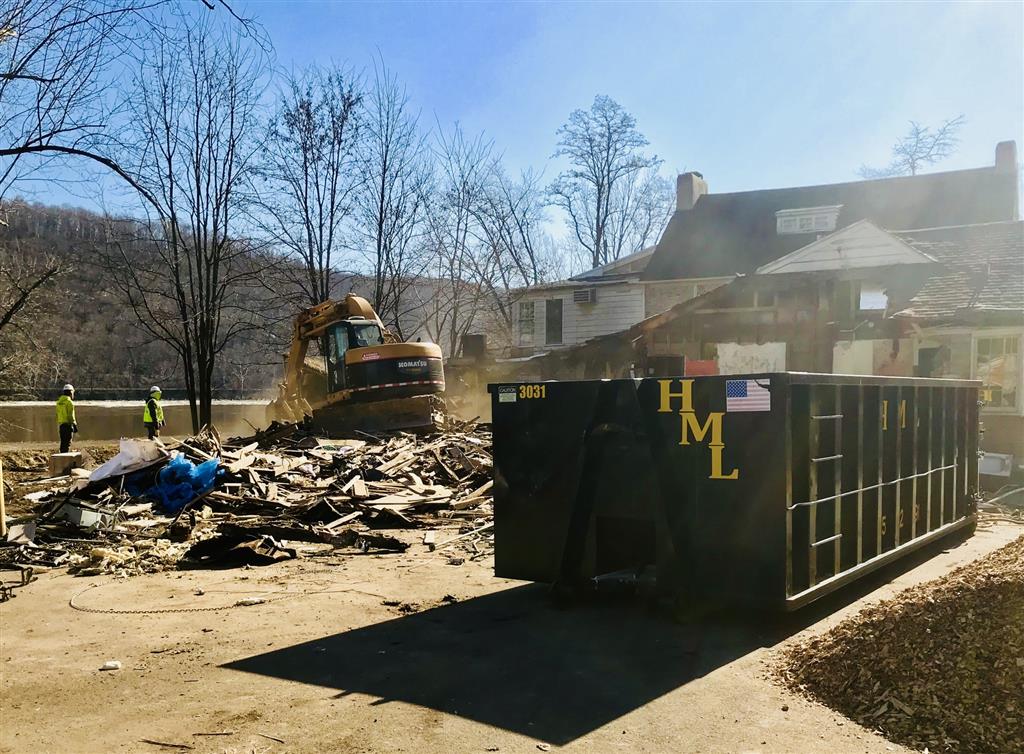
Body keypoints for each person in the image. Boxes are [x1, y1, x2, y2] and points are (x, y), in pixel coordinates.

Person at [55, 384, 77, 453]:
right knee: (67, 443)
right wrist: (74, 425)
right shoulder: (69, 402)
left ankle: (61, 457)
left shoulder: (58, 402)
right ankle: (65, 459)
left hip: (61, 425)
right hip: (68, 425)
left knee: (63, 444)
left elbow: (57, 414)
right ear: (70, 392)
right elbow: (71, 415)